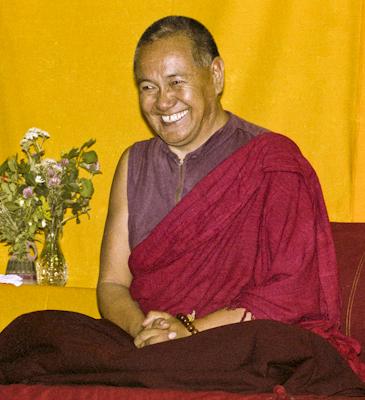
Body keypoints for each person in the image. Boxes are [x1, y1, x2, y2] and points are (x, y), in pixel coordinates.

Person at [0, 15, 364, 395]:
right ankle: (150, 365)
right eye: (148, 87)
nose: (163, 101)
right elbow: (111, 284)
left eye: (176, 82)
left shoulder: (273, 161)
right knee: (34, 331)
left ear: (216, 75)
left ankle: (152, 366)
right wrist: (144, 331)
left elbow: (290, 292)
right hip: (144, 342)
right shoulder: (134, 163)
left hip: (226, 339)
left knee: (273, 346)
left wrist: (188, 330)